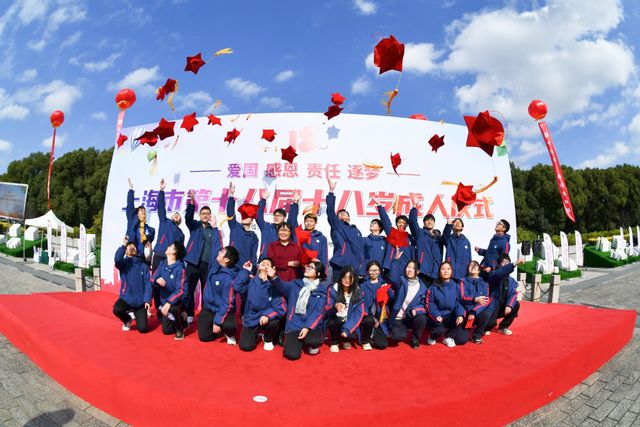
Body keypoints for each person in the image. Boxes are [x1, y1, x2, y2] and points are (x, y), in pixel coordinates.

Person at [270, 260, 330, 360]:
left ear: (318, 273)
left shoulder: (321, 291)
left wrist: (307, 327)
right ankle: (294, 340)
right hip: (295, 323)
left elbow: (318, 313)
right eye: (307, 266)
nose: (307, 268)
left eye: (311, 267)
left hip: (311, 325)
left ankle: (311, 343)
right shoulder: (295, 284)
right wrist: (274, 277)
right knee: (291, 355)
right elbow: (282, 287)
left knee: (314, 341)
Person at [197, 246, 250, 345]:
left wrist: (217, 322)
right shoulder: (215, 266)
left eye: (222, 252)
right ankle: (219, 330)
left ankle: (229, 332)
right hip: (209, 308)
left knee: (229, 326)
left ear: (226, 259)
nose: (219, 252)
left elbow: (227, 303)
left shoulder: (228, 279)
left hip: (224, 309)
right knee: (204, 337)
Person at [184, 189, 222, 323]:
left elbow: (218, 245)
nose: (205, 215)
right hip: (193, 263)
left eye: (207, 213)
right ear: (199, 215)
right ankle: (189, 313)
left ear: (210, 216)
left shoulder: (214, 230)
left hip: (207, 265)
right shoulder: (194, 226)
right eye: (203, 213)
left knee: (207, 291)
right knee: (189, 289)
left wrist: (215, 227)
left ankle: (205, 315)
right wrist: (192, 203)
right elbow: (188, 218)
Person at [236, 258, 286, 352]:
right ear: (258, 267)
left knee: (274, 322)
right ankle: (254, 334)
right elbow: (237, 287)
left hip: (267, 318)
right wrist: (245, 271)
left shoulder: (276, 284)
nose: (265, 265)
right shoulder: (251, 281)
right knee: (245, 346)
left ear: (273, 268)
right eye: (263, 263)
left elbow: (281, 307)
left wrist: (268, 315)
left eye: (268, 264)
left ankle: (268, 338)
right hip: (252, 317)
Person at [151, 179, 185, 314]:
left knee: (169, 285)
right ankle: (158, 307)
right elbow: (161, 207)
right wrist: (161, 191)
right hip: (159, 256)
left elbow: (181, 250)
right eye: (175, 214)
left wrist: (181, 263)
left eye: (178, 216)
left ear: (180, 221)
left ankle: (169, 306)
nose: (176, 216)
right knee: (156, 282)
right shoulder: (164, 222)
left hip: (171, 261)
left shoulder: (181, 233)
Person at [326, 178, 365, 281]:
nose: (342, 214)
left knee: (353, 291)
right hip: (340, 263)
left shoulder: (356, 231)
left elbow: (360, 249)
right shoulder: (337, 225)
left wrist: (361, 267)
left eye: (345, 213)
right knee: (337, 289)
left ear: (349, 217)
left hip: (355, 266)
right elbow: (330, 211)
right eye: (340, 213)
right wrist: (331, 191)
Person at [388, 249, 428, 348]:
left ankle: (415, 338)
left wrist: (417, 310)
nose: (410, 270)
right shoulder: (401, 281)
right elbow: (393, 277)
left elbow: (423, 304)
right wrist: (396, 261)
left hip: (411, 316)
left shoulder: (422, 287)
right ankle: (398, 330)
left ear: (418, 271)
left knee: (422, 318)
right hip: (399, 317)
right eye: (408, 267)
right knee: (397, 337)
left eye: (413, 268)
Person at [113, 238, 152, 333]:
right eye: (129, 246)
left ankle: (139, 314)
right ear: (126, 251)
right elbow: (117, 259)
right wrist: (123, 245)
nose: (131, 247)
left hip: (140, 302)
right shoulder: (123, 264)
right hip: (126, 299)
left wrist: (147, 300)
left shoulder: (143, 266)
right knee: (117, 309)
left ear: (137, 251)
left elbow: (148, 283)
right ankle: (127, 320)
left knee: (143, 329)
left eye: (133, 246)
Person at [426, 261, 467, 347]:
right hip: (438, 317)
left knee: (462, 339)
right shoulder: (433, 287)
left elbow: (459, 303)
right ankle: (432, 336)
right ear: (439, 272)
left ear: (451, 271)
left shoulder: (456, 286)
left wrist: (460, 314)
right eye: (443, 269)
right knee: (438, 330)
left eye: (448, 269)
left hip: (450, 316)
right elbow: (430, 304)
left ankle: (448, 337)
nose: (446, 271)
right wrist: (436, 315)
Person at [152, 241, 188, 340]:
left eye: (170, 246)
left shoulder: (180, 269)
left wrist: (168, 303)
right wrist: (156, 280)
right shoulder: (162, 263)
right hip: (163, 300)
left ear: (174, 252)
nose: (167, 247)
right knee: (166, 331)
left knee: (174, 309)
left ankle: (180, 328)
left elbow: (180, 291)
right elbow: (152, 278)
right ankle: (177, 318)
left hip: (177, 301)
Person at [483, 254, 524, 336]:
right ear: (498, 265)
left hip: (503, 307)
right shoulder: (494, 274)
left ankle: (503, 327)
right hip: (492, 305)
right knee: (488, 325)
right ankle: (485, 326)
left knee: (516, 304)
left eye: (507, 263)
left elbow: (513, 294)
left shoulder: (511, 280)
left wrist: (509, 305)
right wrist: (513, 264)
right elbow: (500, 273)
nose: (506, 265)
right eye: (504, 263)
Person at [326, 266, 365, 352]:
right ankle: (335, 341)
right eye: (344, 277)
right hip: (336, 319)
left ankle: (345, 339)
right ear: (340, 278)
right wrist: (335, 306)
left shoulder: (359, 291)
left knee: (350, 332)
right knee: (332, 322)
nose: (347, 280)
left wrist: (347, 329)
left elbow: (358, 313)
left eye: (350, 278)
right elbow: (327, 307)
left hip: (350, 320)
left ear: (354, 279)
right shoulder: (332, 289)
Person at [256, 188, 299, 259]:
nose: (276, 217)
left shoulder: (287, 229)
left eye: (279, 216)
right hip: (266, 259)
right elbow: (258, 216)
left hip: (282, 260)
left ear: (284, 218)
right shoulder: (266, 227)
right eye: (275, 216)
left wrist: (295, 202)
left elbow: (292, 218)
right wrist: (263, 199)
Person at [373, 198, 414, 272]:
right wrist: (380, 206)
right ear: (396, 224)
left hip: (405, 270)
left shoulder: (410, 238)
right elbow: (385, 221)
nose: (401, 224)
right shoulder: (392, 233)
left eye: (404, 223)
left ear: (407, 225)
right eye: (399, 222)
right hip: (391, 267)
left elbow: (413, 255)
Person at [408, 196, 442, 285]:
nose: (429, 222)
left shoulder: (438, 238)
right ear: (424, 223)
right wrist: (414, 206)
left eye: (431, 220)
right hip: (422, 272)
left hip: (435, 274)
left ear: (434, 223)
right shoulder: (420, 233)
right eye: (427, 220)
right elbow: (412, 222)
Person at [359, 260, 392, 350]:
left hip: (381, 318)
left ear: (380, 271)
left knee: (382, 345)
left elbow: (392, 298)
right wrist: (373, 319)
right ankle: (366, 339)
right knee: (368, 321)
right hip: (367, 317)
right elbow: (361, 304)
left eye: (376, 270)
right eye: (371, 270)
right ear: (367, 271)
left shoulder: (383, 283)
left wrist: (387, 289)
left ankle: (374, 335)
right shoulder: (363, 286)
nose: (374, 272)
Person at [226, 182, 259, 271]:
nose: (244, 217)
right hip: (231, 267)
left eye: (247, 216)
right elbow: (230, 213)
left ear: (252, 220)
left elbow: (253, 256)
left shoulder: (254, 237)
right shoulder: (234, 226)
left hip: (244, 270)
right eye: (243, 215)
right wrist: (231, 195)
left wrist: (252, 271)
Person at [289, 207, 329, 277]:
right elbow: (292, 221)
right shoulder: (298, 234)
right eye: (307, 221)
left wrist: (323, 274)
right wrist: (295, 204)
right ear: (304, 222)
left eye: (311, 221)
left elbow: (324, 257)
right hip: (298, 270)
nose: (308, 223)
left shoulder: (322, 238)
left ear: (315, 223)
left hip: (313, 272)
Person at [460, 261, 490, 344]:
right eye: (471, 265)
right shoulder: (462, 281)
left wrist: (474, 311)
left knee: (486, 314)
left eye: (475, 265)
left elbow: (485, 301)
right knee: (461, 339)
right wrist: (474, 299)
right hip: (465, 312)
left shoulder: (485, 284)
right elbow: (462, 297)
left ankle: (477, 335)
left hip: (477, 312)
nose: (473, 266)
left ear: (479, 270)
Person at [126, 178, 155, 262]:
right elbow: (130, 204)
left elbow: (150, 238)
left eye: (144, 211)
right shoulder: (132, 220)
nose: (143, 212)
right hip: (131, 255)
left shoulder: (148, 228)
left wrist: (148, 241)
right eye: (141, 210)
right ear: (137, 213)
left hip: (143, 258)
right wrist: (131, 189)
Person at [442, 217, 472, 282]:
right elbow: (444, 237)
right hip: (450, 273)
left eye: (459, 222)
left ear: (462, 227)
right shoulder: (449, 239)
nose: (457, 223)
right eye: (455, 222)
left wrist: (469, 273)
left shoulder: (466, 242)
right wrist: (448, 225)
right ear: (452, 226)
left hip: (463, 275)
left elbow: (469, 258)